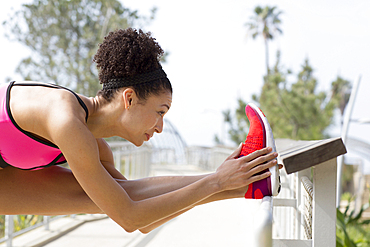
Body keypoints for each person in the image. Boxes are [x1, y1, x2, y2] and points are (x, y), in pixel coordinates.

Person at [0, 28, 279, 234]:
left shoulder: (96, 147)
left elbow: (140, 213)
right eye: (160, 112)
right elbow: (130, 217)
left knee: (104, 198)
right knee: (105, 200)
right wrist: (216, 182)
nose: (160, 127)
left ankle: (249, 185)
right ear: (129, 98)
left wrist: (224, 178)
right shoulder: (65, 119)